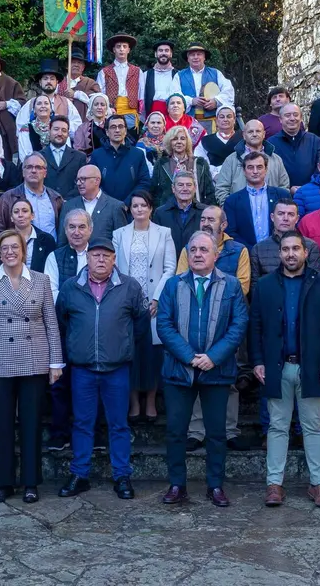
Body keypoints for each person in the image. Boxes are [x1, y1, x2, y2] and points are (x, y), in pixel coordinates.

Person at [251, 230, 320, 509]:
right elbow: (254, 327)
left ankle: (319, 484)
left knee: (312, 427)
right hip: (277, 368)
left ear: (305, 252)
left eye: (296, 249)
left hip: (312, 368)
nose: (290, 254)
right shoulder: (265, 285)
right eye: (285, 249)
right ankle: (274, 484)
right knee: (278, 427)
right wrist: (257, 361)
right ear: (279, 254)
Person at [157, 231, 249, 507]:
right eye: (193, 250)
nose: (198, 254)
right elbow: (164, 324)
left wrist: (213, 356)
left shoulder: (231, 286)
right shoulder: (173, 285)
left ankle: (215, 486)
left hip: (216, 371)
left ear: (216, 255)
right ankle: (177, 484)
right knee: (175, 431)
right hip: (179, 371)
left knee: (217, 432)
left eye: (204, 250)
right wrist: (189, 356)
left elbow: (238, 325)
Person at [0, 229, 64, 504]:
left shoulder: (41, 280)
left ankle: (30, 482)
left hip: (34, 360)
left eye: (15, 247)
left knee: (31, 424)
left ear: (23, 251)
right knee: (1, 425)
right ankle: (2, 482)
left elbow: (51, 323)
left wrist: (55, 362)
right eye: (5, 248)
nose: (10, 252)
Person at [56, 238, 150, 500]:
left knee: (118, 424)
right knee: (83, 423)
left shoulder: (129, 287)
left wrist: (123, 347)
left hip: (116, 368)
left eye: (106, 255)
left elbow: (140, 324)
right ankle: (79, 474)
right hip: (83, 369)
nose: (100, 259)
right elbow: (63, 321)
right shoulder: (71, 287)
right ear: (87, 258)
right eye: (95, 255)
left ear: (114, 259)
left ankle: (122, 475)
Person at [175, 206, 251, 452]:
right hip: (194, 319)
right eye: (204, 218)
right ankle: (197, 431)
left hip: (226, 322)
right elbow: (180, 279)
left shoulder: (239, 250)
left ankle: (229, 431)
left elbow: (243, 285)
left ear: (224, 224)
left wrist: (217, 292)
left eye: (212, 219)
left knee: (228, 378)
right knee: (196, 374)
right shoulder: (190, 247)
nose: (206, 222)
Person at [113, 192, 176, 423]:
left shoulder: (164, 233)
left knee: (152, 353)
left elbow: (170, 268)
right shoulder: (119, 234)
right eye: (135, 206)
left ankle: (150, 401)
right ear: (129, 209)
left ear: (151, 208)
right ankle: (133, 403)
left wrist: (158, 298)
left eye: (143, 205)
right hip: (126, 303)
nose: (139, 209)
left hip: (154, 304)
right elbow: (115, 269)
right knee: (130, 353)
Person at [43, 208, 93, 452]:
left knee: (91, 381)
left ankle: (91, 432)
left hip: (93, 331)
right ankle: (60, 432)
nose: (76, 231)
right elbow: (51, 291)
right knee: (60, 382)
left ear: (90, 230)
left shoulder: (99, 254)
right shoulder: (55, 256)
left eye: (81, 226)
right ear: (65, 230)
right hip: (62, 327)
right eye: (71, 227)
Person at [223, 152, 291, 248]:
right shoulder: (232, 201)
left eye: (259, 167)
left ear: (266, 169)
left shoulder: (282, 195)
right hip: (246, 254)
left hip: (278, 252)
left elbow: (289, 226)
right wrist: (252, 251)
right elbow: (231, 232)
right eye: (250, 167)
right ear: (244, 170)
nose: (255, 171)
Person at [214, 119, 291, 202]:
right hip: (240, 211)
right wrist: (229, 208)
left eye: (258, 131)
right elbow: (221, 188)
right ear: (244, 135)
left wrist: (278, 209)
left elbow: (284, 187)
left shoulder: (276, 159)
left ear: (264, 134)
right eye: (250, 132)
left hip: (271, 211)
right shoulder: (232, 159)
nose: (254, 134)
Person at [0, 153, 64, 239]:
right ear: (23, 172)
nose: (33, 170)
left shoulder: (56, 198)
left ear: (45, 173)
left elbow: (62, 231)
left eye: (38, 167)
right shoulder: (8, 198)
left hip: (52, 250)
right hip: (20, 251)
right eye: (29, 167)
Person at [249, 198, 320, 280]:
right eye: (281, 214)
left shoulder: (311, 246)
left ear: (297, 219)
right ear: (272, 217)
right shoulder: (258, 249)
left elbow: (316, 282)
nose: (285, 218)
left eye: (291, 214)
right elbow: (255, 286)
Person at [15, 59, 83, 147]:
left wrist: (62, 124)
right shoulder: (31, 104)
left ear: (57, 82)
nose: (49, 82)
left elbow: (78, 127)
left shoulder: (66, 103)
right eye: (45, 78)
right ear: (40, 82)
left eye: (52, 79)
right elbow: (20, 128)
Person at [59, 164, 128, 246]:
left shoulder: (115, 206)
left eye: (83, 179)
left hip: (103, 257)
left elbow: (122, 242)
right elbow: (62, 242)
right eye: (77, 180)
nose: (78, 183)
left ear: (97, 180)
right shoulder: (68, 206)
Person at [89, 114, 152, 203]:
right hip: (103, 207)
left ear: (125, 131)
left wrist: (127, 203)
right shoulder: (97, 155)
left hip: (130, 208)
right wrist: (108, 204)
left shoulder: (138, 154)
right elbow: (92, 182)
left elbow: (144, 183)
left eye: (121, 126)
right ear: (107, 132)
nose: (117, 130)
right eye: (113, 127)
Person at [176, 42, 235, 133]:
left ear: (204, 57)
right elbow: (174, 95)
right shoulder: (179, 75)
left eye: (199, 54)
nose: (196, 57)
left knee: (210, 146)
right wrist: (191, 101)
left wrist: (216, 101)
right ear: (188, 58)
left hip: (212, 120)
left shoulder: (216, 73)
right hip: (188, 120)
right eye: (192, 55)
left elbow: (229, 91)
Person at [151, 125, 216, 207]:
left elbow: (210, 192)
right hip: (168, 212)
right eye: (175, 139)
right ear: (169, 142)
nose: (179, 142)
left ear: (187, 142)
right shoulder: (161, 163)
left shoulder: (200, 163)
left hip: (195, 212)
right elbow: (154, 192)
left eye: (182, 139)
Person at [267, 103, 320, 191]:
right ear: (280, 119)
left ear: (301, 118)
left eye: (295, 115)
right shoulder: (271, 143)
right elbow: (269, 172)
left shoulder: (314, 140)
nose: (292, 118)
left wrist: (310, 187)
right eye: (287, 115)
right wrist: (288, 189)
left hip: (311, 192)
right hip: (282, 195)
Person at [97, 33, 143, 131]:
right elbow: (100, 94)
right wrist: (107, 110)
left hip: (131, 112)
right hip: (112, 112)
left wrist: (139, 113)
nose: (121, 49)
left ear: (128, 50)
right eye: (118, 46)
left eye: (124, 46)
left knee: (130, 141)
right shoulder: (104, 72)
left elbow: (141, 93)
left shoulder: (137, 71)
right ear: (114, 50)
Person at [153, 170, 206, 254]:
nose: (185, 189)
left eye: (189, 185)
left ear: (195, 188)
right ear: (173, 188)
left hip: (198, 262)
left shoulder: (205, 212)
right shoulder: (160, 213)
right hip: (169, 264)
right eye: (180, 185)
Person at [42, 115, 87, 199]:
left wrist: (68, 201)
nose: (60, 133)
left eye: (64, 130)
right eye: (56, 129)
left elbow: (83, 182)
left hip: (71, 205)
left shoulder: (79, 157)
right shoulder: (39, 157)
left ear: (68, 133)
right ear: (49, 131)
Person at [8, 199, 57, 271]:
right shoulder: (5, 239)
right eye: (16, 212)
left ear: (32, 216)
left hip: (39, 281)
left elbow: (51, 269)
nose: (20, 215)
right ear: (11, 217)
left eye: (25, 211)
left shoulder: (47, 240)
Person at [196, 105, 242, 180]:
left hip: (239, 179)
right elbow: (200, 161)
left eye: (229, 116)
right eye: (222, 117)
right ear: (216, 120)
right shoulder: (205, 141)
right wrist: (215, 175)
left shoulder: (243, 139)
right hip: (213, 182)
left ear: (234, 120)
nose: (225, 119)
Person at [57, 47, 101, 121]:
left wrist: (76, 94)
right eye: (73, 62)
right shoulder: (59, 83)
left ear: (83, 67)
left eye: (79, 63)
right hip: (62, 125)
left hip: (85, 126)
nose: (76, 65)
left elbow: (98, 101)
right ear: (67, 66)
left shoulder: (90, 83)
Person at [139, 39, 177, 118]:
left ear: (171, 54)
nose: (163, 53)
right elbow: (141, 98)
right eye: (160, 50)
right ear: (156, 54)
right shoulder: (146, 75)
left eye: (166, 51)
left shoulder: (178, 75)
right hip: (152, 115)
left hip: (173, 115)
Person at [17, 93, 56, 163]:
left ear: (51, 109)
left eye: (46, 103)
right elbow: (25, 155)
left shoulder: (58, 127)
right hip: (33, 167)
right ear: (34, 110)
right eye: (39, 103)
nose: (43, 106)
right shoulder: (26, 129)